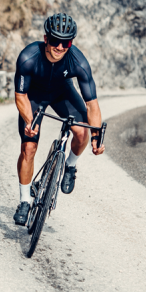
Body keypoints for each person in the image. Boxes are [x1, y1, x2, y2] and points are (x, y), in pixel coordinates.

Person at [12, 13, 105, 226]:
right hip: (34, 96)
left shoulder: (78, 62)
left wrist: (97, 136)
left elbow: (92, 104)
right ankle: (25, 201)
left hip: (62, 93)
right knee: (28, 148)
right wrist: (29, 120)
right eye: (55, 41)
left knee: (81, 132)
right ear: (46, 39)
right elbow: (20, 95)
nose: (60, 47)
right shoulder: (28, 57)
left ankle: (70, 166)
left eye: (66, 43)